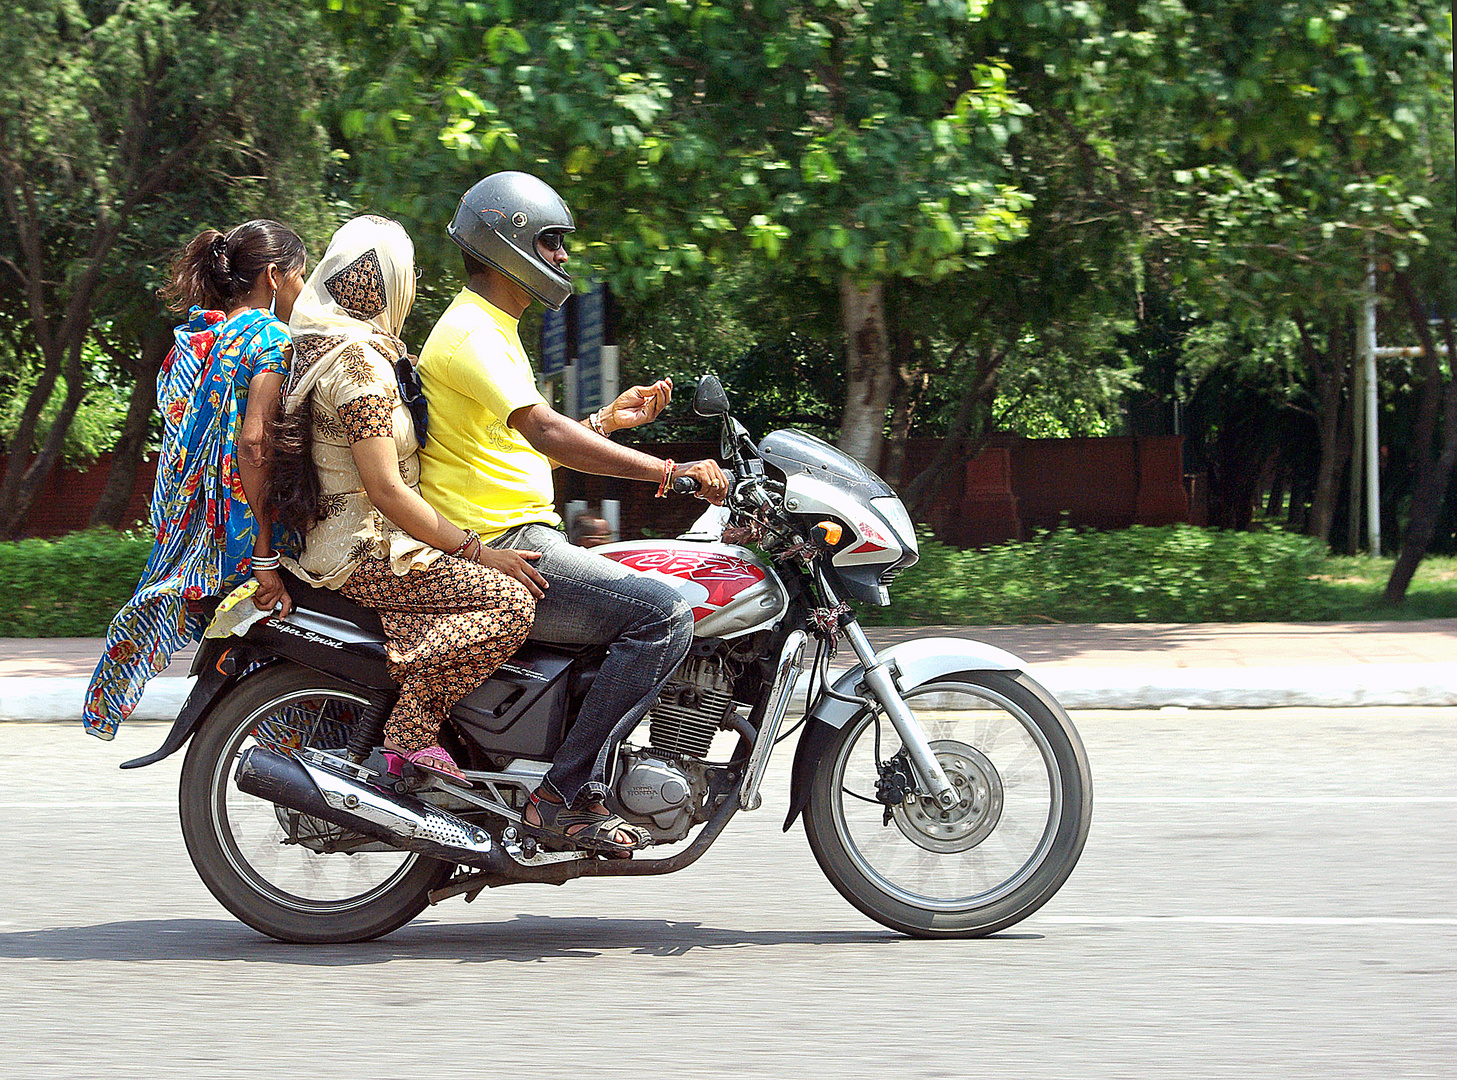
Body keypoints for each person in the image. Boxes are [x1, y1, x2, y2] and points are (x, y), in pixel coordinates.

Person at [416, 171, 729, 854]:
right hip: (503, 544)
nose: (562, 258)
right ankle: (561, 799)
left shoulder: (491, 328)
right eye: (551, 242)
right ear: (507, 242)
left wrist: (605, 421)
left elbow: (509, 451)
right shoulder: (472, 332)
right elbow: (545, 433)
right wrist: (669, 474)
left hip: (511, 527)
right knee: (663, 611)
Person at [267, 215, 535, 785]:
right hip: (365, 550)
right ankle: (407, 731)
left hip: (359, 541)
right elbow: (386, 489)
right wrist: (476, 551)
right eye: (404, 276)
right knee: (510, 603)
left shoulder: (335, 347)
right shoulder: (358, 364)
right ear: (388, 285)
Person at [83, 220, 307, 740]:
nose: (304, 291)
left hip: (190, 533)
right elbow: (255, 446)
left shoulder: (196, 339)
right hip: (243, 534)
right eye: (300, 277)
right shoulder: (269, 338)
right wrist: (267, 555)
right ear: (274, 277)